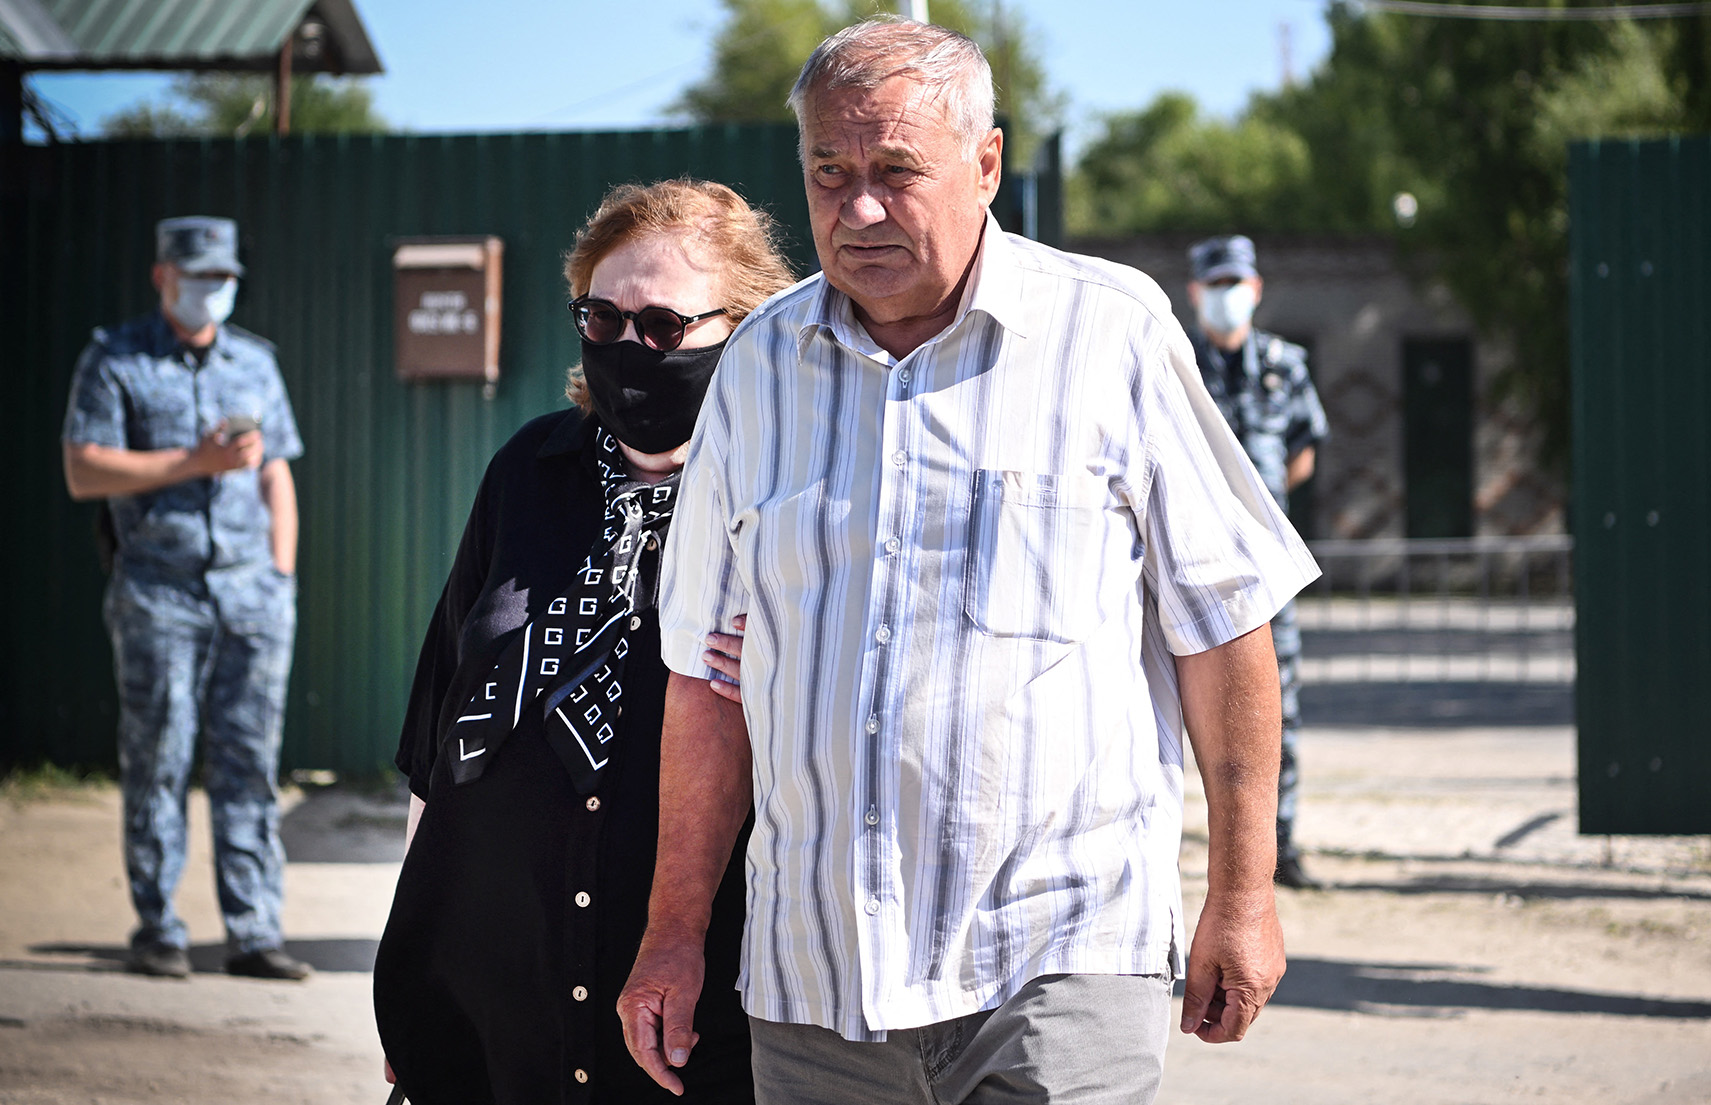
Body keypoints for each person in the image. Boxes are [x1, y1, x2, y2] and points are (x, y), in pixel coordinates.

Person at [618, 18, 1321, 1105]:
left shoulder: (1111, 335)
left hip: (1058, 959)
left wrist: (1244, 895)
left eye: (896, 171)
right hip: (817, 989)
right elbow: (706, 681)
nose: (857, 210)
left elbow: (1225, 626)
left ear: (985, 165)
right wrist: (672, 931)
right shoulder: (757, 370)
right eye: (828, 173)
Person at [372, 178, 795, 1105]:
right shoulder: (529, 468)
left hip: (691, 1016)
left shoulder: (786, 499)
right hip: (493, 1000)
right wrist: (413, 972)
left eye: (663, 325)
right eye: (600, 319)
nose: (628, 346)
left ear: (744, 328)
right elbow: (435, 745)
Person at [61, 216, 308, 982]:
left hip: (251, 596)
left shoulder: (256, 362)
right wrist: (191, 461)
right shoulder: (116, 359)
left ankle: (254, 930)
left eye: (223, 277)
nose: (213, 289)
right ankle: (158, 927)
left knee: (250, 764)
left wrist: (281, 574)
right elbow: (84, 469)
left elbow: (276, 471)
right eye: (198, 275)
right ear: (162, 275)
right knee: (159, 760)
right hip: (157, 594)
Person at [1185, 234, 1330, 891]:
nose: (1225, 296)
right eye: (1213, 284)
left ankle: (1279, 843)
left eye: (1235, 283)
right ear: (1194, 292)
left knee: (1278, 703)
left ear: (1256, 287)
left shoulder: (1283, 363)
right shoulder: (1174, 361)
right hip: (1189, 561)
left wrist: (1259, 513)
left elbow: (1302, 450)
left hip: (1264, 570)